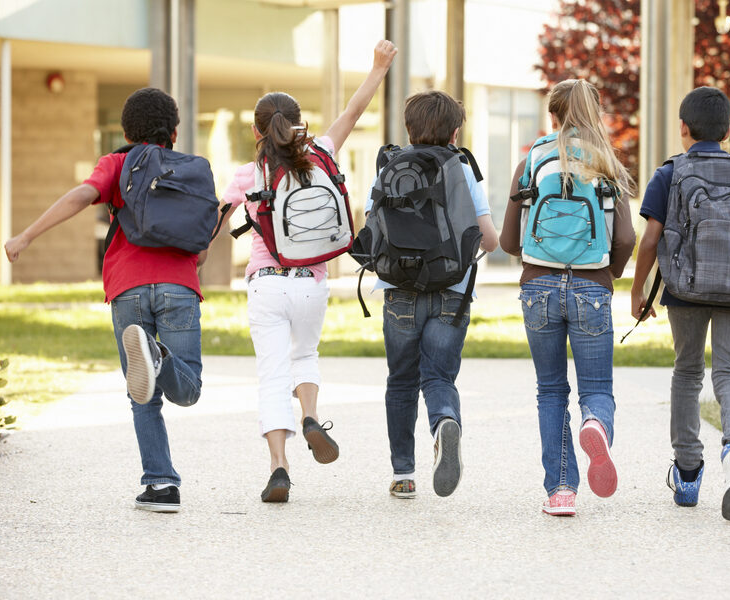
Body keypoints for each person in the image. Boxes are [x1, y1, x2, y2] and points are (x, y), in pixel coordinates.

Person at [4, 87, 209, 513]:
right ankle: (159, 358)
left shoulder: (118, 163)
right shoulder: (191, 172)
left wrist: (26, 235)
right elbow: (201, 249)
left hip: (128, 288)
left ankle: (161, 485)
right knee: (187, 391)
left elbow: (81, 196)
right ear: (173, 131)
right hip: (179, 286)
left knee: (142, 394)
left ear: (125, 131)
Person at [219, 40, 397, 503]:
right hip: (311, 283)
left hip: (266, 284)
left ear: (258, 131)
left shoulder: (247, 173)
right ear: (298, 123)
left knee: (272, 376)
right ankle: (311, 415)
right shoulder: (322, 150)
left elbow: (212, 222)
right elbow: (355, 111)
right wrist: (377, 67)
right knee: (306, 355)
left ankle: (279, 467)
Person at [630, 86, 730, 521]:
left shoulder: (670, 173)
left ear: (683, 127)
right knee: (729, 373)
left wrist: (638, 290)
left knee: (687, 372)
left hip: (685, 289)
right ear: (727, 130)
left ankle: (687, 474)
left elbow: (649, 238)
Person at [500, 79, 636, 517]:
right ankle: (595, 424)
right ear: (595, 114)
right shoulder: (606, 163)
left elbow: (507, 240)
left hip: (538, 287)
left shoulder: (533, 160)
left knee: (551, 390)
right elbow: (627, 237)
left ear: (552, 115)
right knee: (596, 387)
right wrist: (608, 273)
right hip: (592, 287)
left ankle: (561, 490)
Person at [366, 90, 499, 500]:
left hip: (399, 293)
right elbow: (491, 241)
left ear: (409, 127)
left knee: (401, 381)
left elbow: (372, 230)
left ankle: (403, 473)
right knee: (439, 376)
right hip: (452, 292)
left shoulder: (390, 165)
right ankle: (444, 421)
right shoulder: (461, 168)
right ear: (455, 131)